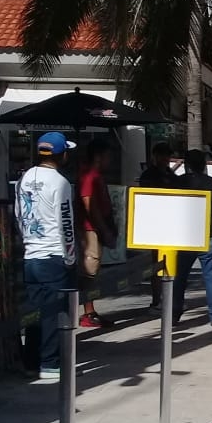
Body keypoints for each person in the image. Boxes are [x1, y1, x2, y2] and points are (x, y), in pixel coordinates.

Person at [14, 132, 77, 382]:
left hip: (31, 254)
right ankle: (50, 363)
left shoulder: (24, 178)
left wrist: (28, 242)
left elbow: (19, 215)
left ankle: (31, 361)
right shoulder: (60, 182)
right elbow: (66, 222)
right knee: (54, 313)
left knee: (33, 312)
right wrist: (70, 257)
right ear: (62, 154)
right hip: (53, 254)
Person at [173, 150, 212, 326]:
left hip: (184, 236)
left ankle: (173, 314)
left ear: (186, 165)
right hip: (210, 235)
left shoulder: (177, 183)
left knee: (179, 278)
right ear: (204, 165)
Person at [77, 138, 117, 328]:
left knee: (93, 271)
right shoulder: (89, 176)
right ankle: (88, 312)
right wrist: (102, 229)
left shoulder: (96, 175)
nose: (111, 160)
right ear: (99, 156)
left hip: (94, 228)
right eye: (109, 156)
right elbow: (88, 203)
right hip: (89, 229)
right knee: (89, 272)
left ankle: (90, 311)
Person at [138, 142, 177, 312]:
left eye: (167, 155)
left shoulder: (171, 174)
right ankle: (156, 300)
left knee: (172, 263)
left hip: (171, 223)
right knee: (156, 264)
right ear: (154, 156)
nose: (165, 159)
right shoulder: (148, 175)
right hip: (154, 224)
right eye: (162, 155)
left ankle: (169, 299)